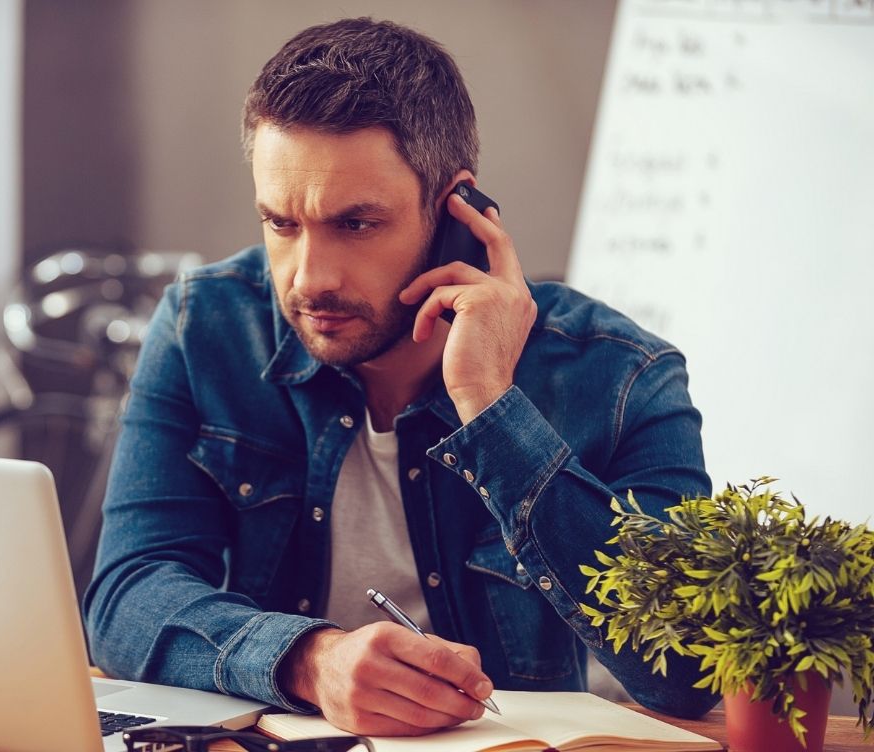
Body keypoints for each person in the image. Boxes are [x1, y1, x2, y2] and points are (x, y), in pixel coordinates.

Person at [84, 17, 717, 736]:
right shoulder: (206, 328)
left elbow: (688, 671)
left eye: (355, 225)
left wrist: (491, 406)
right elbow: (126, 595)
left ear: (458, 214)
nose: (309, 279)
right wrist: (309, 661)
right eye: (282, 224)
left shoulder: (623, 375)